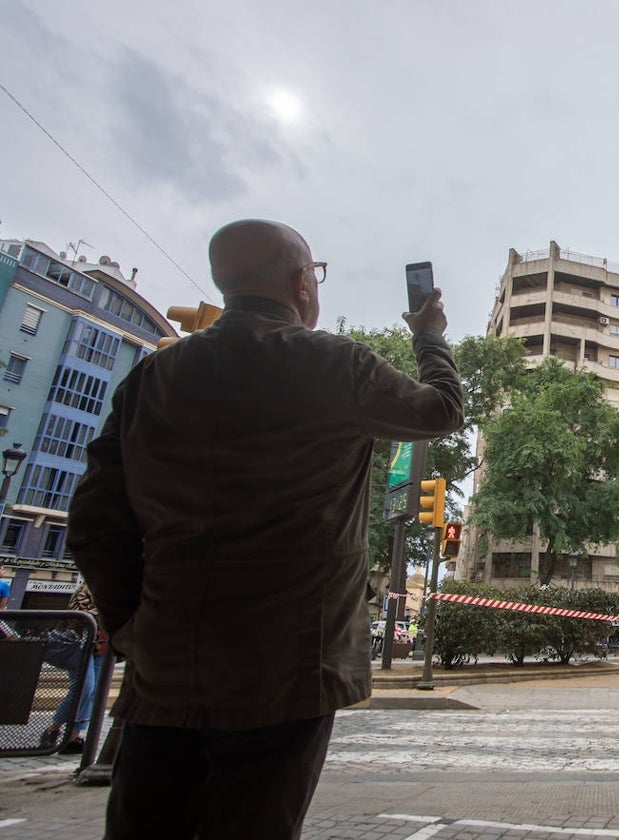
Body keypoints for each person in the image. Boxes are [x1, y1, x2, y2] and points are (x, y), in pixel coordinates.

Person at [66, 219, 464, 840]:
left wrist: (130, 627)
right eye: (316, 273)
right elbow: (442, 409)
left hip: (167, 665)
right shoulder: (337, 365)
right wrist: (431, 337)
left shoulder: (154, 377)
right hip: (289, 668)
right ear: (301, 282)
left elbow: (93, 518)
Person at [41, 582, 107, 754]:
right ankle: (53, 729)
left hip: (104, 647)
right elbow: (79, 614)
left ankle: (74, 737)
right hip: (81, 645)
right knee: (85, 687)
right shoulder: (85, 589)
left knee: (94, 691)